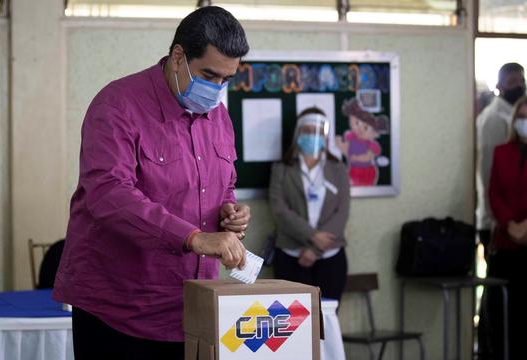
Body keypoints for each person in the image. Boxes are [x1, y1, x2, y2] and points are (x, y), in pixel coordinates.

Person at [52, 6, 251, 360]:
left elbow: (223, 184)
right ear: (178, 57)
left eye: (226, 80)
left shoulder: (217, 116)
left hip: (192, 307)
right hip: (120, 310)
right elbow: (108, 194)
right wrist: (193, 237)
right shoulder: (118, 105)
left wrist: (229, 212)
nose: (217, 89)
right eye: (209, 75)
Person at [269, 107, 350, 301]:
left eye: (318, 131)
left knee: (326, 321)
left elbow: (342, 211)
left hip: (330, 257)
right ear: (298, 132)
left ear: (325, 135)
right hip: (291, 255)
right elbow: (279, 210)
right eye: (308, 130)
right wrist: (313, 235)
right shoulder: (282, 168)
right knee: (293, 324)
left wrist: (315, 249)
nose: (313, 136)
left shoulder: (338, 168)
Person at [484, 95, 527, 360]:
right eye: (521, 118)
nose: (525, 123)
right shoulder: (502, 152)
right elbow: (494, 194)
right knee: (501, 315)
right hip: (506, 243)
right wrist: (511, 225)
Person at [476, 63, 525, 250]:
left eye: (522, 80)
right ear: (500, 87)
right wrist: (501, 221)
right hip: (499, 222)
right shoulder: (494, 118)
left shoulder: (512, 112)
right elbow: (489, 174)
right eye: (512, 81)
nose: (519, 86)